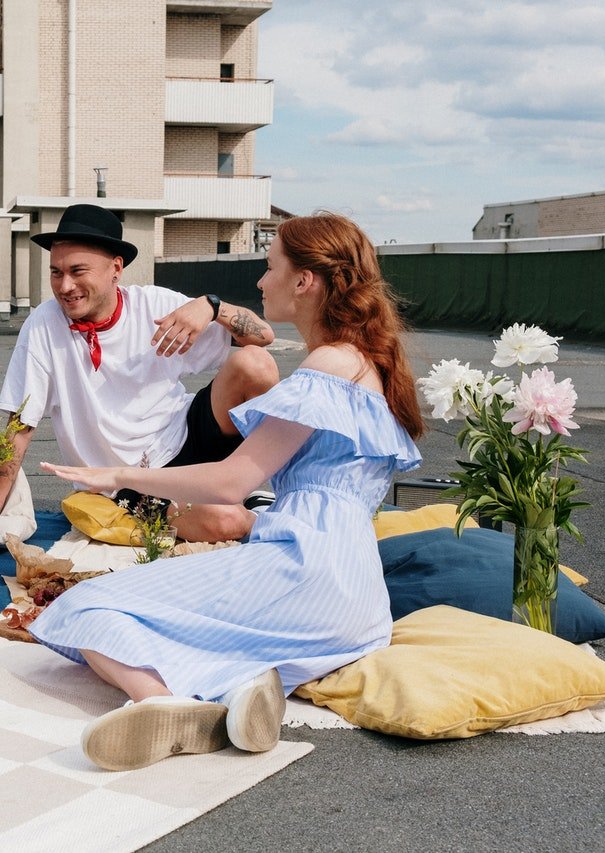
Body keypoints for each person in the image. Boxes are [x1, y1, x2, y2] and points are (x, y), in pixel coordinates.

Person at [29, 212, 426, 771]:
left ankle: (167, 706)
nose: (262, 282)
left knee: (83, 607)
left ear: (304, 281)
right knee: (192, 624)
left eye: (269, 268)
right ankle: (239, 694)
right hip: (357, 603)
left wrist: (117, 476)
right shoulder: (365, 364)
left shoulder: (330, 364)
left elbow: (232, 480)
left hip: (305, 574)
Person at [0, 203, 281, 543]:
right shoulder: (44, 325)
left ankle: (249, 486)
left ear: (116, 268)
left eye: (78, 271)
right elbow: (20, 426)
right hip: (128, 482)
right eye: (56, 272)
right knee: (224, 522)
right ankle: (254, 511)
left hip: (186, 436)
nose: (65, 286)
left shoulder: (153, 305)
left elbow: (263, 336)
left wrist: (211, 306)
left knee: (255, 364)